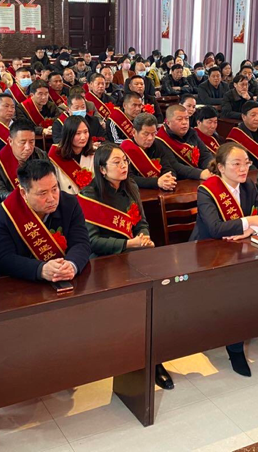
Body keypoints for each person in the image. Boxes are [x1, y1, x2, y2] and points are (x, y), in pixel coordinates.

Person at [77, 144, 173, 390]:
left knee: (156, 300)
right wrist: (128, 243)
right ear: (102, 168)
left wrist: (143, 236)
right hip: (104, 262)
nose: (123, 166)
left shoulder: (131, 187)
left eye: (125, 161)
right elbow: (92, 242)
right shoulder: (89, 195)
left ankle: (154, 360)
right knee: (129, 312)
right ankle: (129, 361)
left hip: (133, 254)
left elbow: (141, 222)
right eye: (117, 162)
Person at [190, 142, 258, 374]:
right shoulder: (207, 190)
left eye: (246, 163)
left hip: (242, 249)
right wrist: (249, 221)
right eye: (236, 164)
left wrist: (250, 230)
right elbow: (215, 228)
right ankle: (235, 349)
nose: (243, 169)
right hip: (210, 254)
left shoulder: (248, 185)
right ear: (221, 167)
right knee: (237, 290)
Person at [0, 159, 91, 282]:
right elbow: (3, 258)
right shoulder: (4, 214)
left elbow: (81, 243)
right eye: (43, 193)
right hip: (19, 283)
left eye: (54, 189)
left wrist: (71, 265)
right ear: (23, 193)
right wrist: (40, 270)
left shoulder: (69, 203)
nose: (51, 198)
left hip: (64, 277)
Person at [0, 120, 47, 202]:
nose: (28, 147)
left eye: (32, 141)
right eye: (23, 142)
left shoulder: (41, 155)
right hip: (14, 204)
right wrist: (27, 198)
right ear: (10, 141)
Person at [120, 113, 178, 191]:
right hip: (135, 191)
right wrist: (156, 182)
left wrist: (169, 179)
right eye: (146, 134)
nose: (150, 138)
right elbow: (129, 178)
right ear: (133, 132)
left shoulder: (158, 144)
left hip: (160, 189)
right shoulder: (124, 150)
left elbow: (168, 167)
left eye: (153, 134)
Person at [156, 104, 213, 181]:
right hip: (180, 180)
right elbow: (174, 166)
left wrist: (212, 169)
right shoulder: (161, 139)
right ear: (168, 123)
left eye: (187, 118)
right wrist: (200, 174)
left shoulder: (192, 133)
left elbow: (205, 155)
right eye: (179, 119)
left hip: (199, 177)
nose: (184, 122)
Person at [48, 116, 96, 195]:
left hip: (88, 198)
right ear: (68, 135)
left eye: (85, 132)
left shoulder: (94, 154)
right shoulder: (55, 156)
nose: (83, 137)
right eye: (78, 133)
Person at [226, 101, 258, 168]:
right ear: (244, 117)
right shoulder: (236, 135)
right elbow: (237, 161)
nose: (257, 118)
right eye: (253, 115)